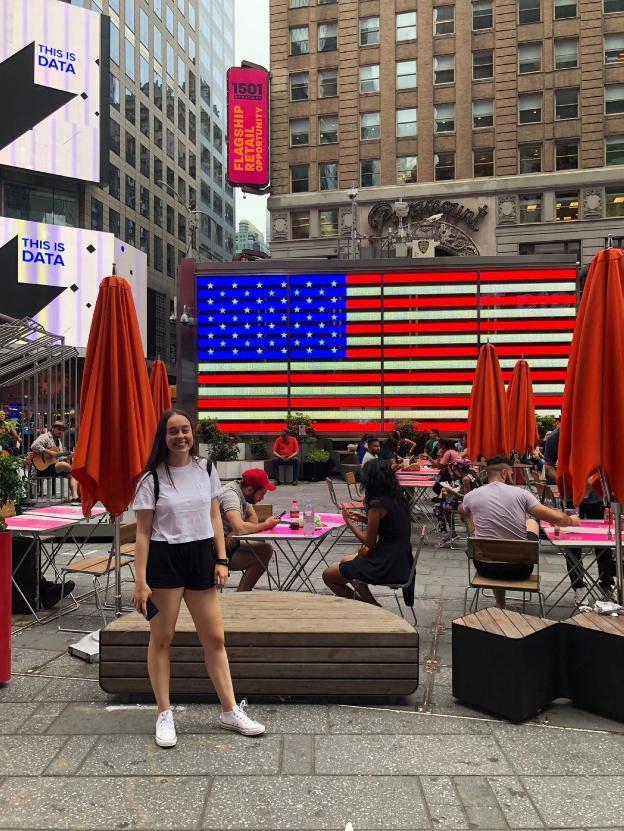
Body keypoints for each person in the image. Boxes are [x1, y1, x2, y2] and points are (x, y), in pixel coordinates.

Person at [132, 409, 265, 747]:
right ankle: (164, 713)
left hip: (201, 556)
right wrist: (140, 580)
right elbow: (144, 533)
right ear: (163, 437)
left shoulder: (206, 468)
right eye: (173, 431)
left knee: (215, 638)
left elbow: (214, 517)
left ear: (193, 434)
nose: (181, 437)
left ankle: (230, 710)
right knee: (162, 638)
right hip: (165, 561)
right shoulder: (152, 479)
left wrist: (221, 559)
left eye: (185, 430)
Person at [460, 455, 580, 609]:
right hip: (519, 569)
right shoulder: (522, 494)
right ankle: (501, 602)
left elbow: (463, 511)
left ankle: (500, 603)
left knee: (494, 537)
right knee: (530, 521)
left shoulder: (471, 496)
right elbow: (558, 519)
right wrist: (571, 520)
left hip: (484, 568)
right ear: (504, 473)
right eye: (511, 473)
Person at [322, 458, 413, 606]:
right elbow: (390, 525)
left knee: (328, 576)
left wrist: (349, 523)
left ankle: (370, 607)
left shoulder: (376, 503)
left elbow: (369, 542)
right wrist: (364, 519)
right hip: (402, 559)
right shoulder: (396, 497)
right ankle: (370, 603)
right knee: (347, 561)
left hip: (386, 563)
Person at [219, 468, 279, 591]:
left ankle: (242, 592)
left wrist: (236, 530)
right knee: (261, 558)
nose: (262, 498)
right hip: (216, 549)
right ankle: (242, 594)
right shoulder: (230, 495)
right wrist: (266, 525)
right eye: (261, 494)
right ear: (250, 489)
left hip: (230, 543)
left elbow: (253, 518)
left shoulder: (243, 493)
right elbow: (241, 528)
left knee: (266, 549)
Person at [29, 420, 80, 503]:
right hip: (41, 468)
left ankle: (75, 497)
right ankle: (77, 473)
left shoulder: (59, 442)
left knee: (72, 474)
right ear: (52, 428)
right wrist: (49, 452)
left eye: (62, 430)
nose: (61, 431)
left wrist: (69, 456)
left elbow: (59, 457)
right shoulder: (45, 436)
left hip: (53, 467)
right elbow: (34, 445)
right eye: (58, 429)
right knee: (66, 466)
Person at [434, 458, 480, 547]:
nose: (453, 473)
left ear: (459, 469)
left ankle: (448, 533)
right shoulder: (470, 475)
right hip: (473, 502)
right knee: (441, 506)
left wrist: (452, 492)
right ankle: (450, 532)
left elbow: (467, 498)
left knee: (440, 507)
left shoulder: (465, 479)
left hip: (470, 504)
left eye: (454, 470)